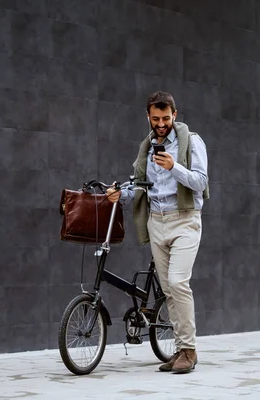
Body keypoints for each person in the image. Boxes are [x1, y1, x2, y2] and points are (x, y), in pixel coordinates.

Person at [107, 91, 209, 374]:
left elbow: (200, 182)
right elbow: (141, 185)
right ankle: (179, 350)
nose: (161, 123)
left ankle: (189, 350)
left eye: (166, 118)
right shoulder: (146, 147)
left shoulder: (192, 142)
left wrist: (173, 166)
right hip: (157, 221)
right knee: (168, 290)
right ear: (148, 117)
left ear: (174, 115)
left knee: (178, 283)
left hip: (185, 220)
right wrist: (121, 194)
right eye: (156, 119)